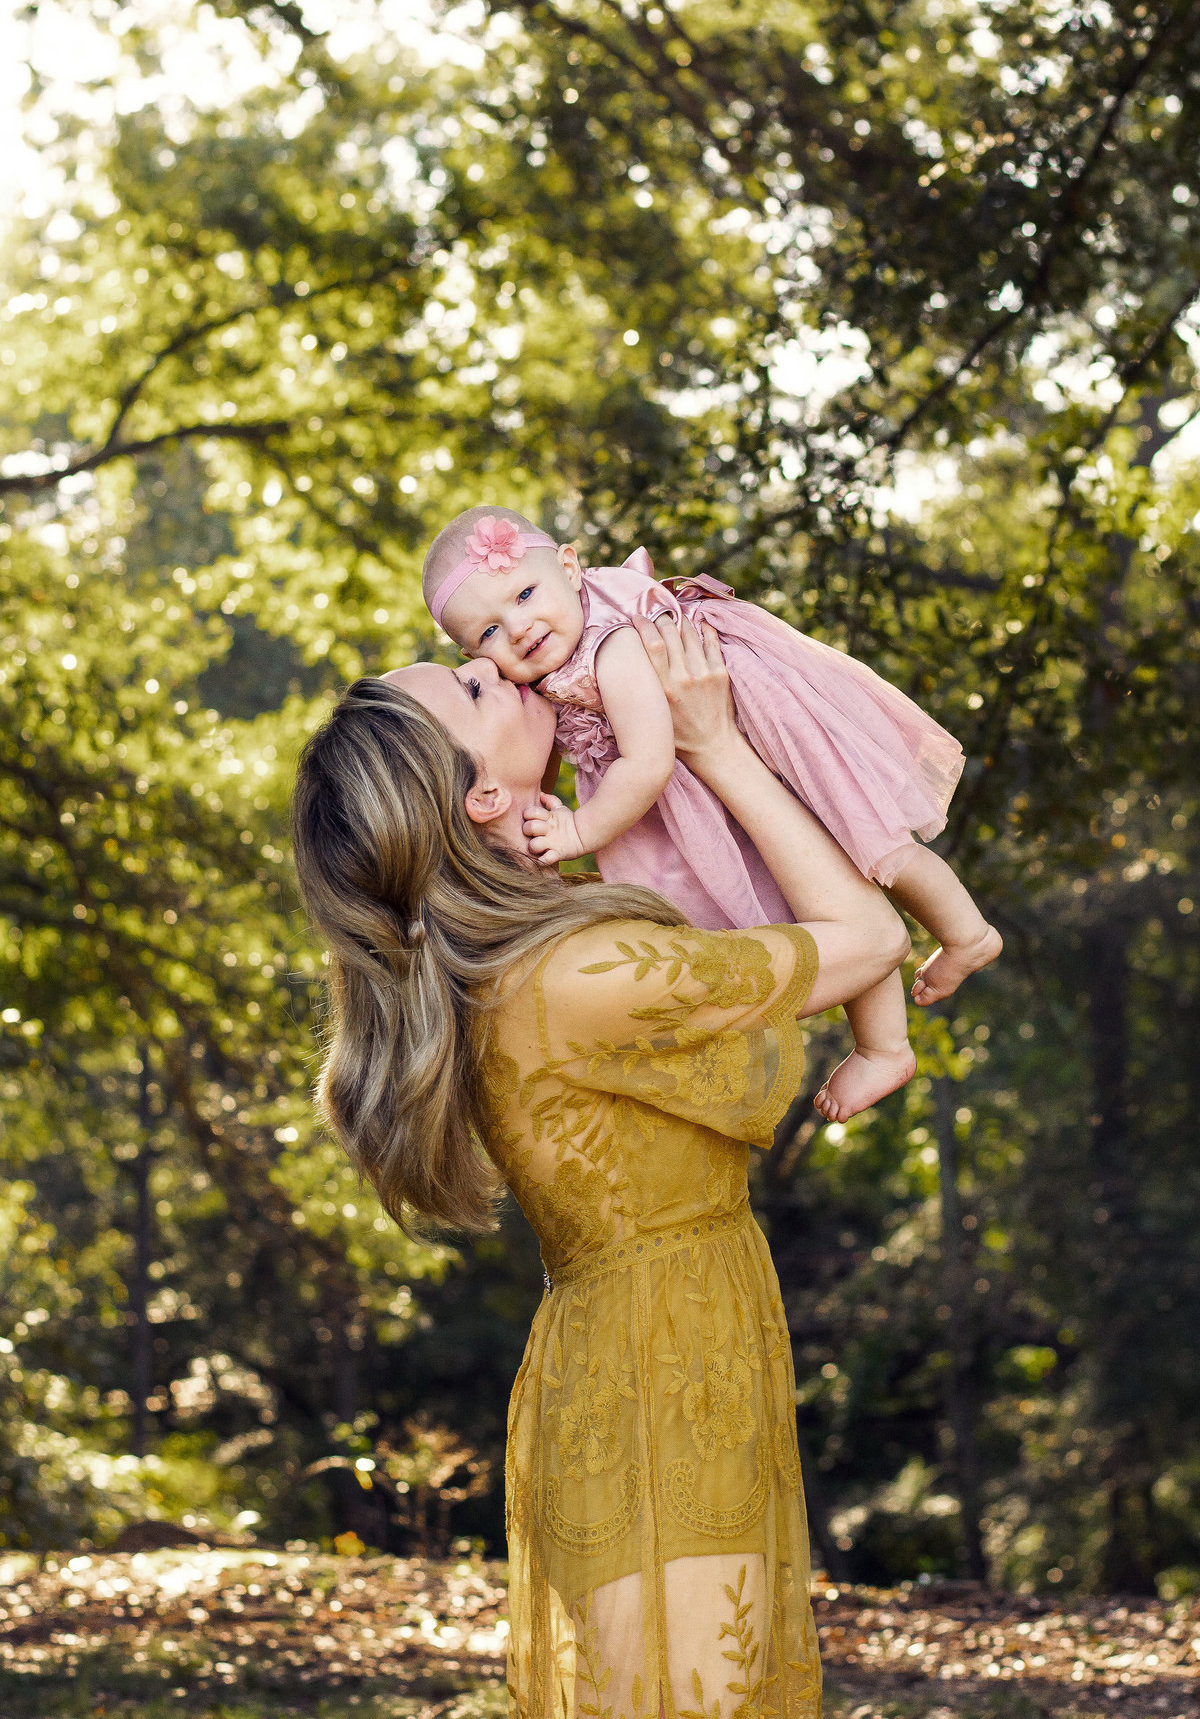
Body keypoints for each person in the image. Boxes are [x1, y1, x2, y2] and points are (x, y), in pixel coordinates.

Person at [291, 614, 910, 1719]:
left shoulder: (529, 952)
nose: (502, 666)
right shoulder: (577, 970)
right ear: (482, 798)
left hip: (653, 1346)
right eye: (476, 689)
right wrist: (713, 743)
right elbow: (867, 937)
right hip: (656, 1373)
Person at [422, 508, 1001, 1124]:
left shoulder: (610, 646)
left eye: (526, 594)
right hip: (711, 765)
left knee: (874, 849)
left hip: (757, 734)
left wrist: (580, 830)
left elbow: (647, 762)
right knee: (828, 886)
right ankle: (886, 1044)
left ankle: (963, 937)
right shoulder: (551, 661)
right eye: (487, 633)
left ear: (569, 565)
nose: (517, 630)